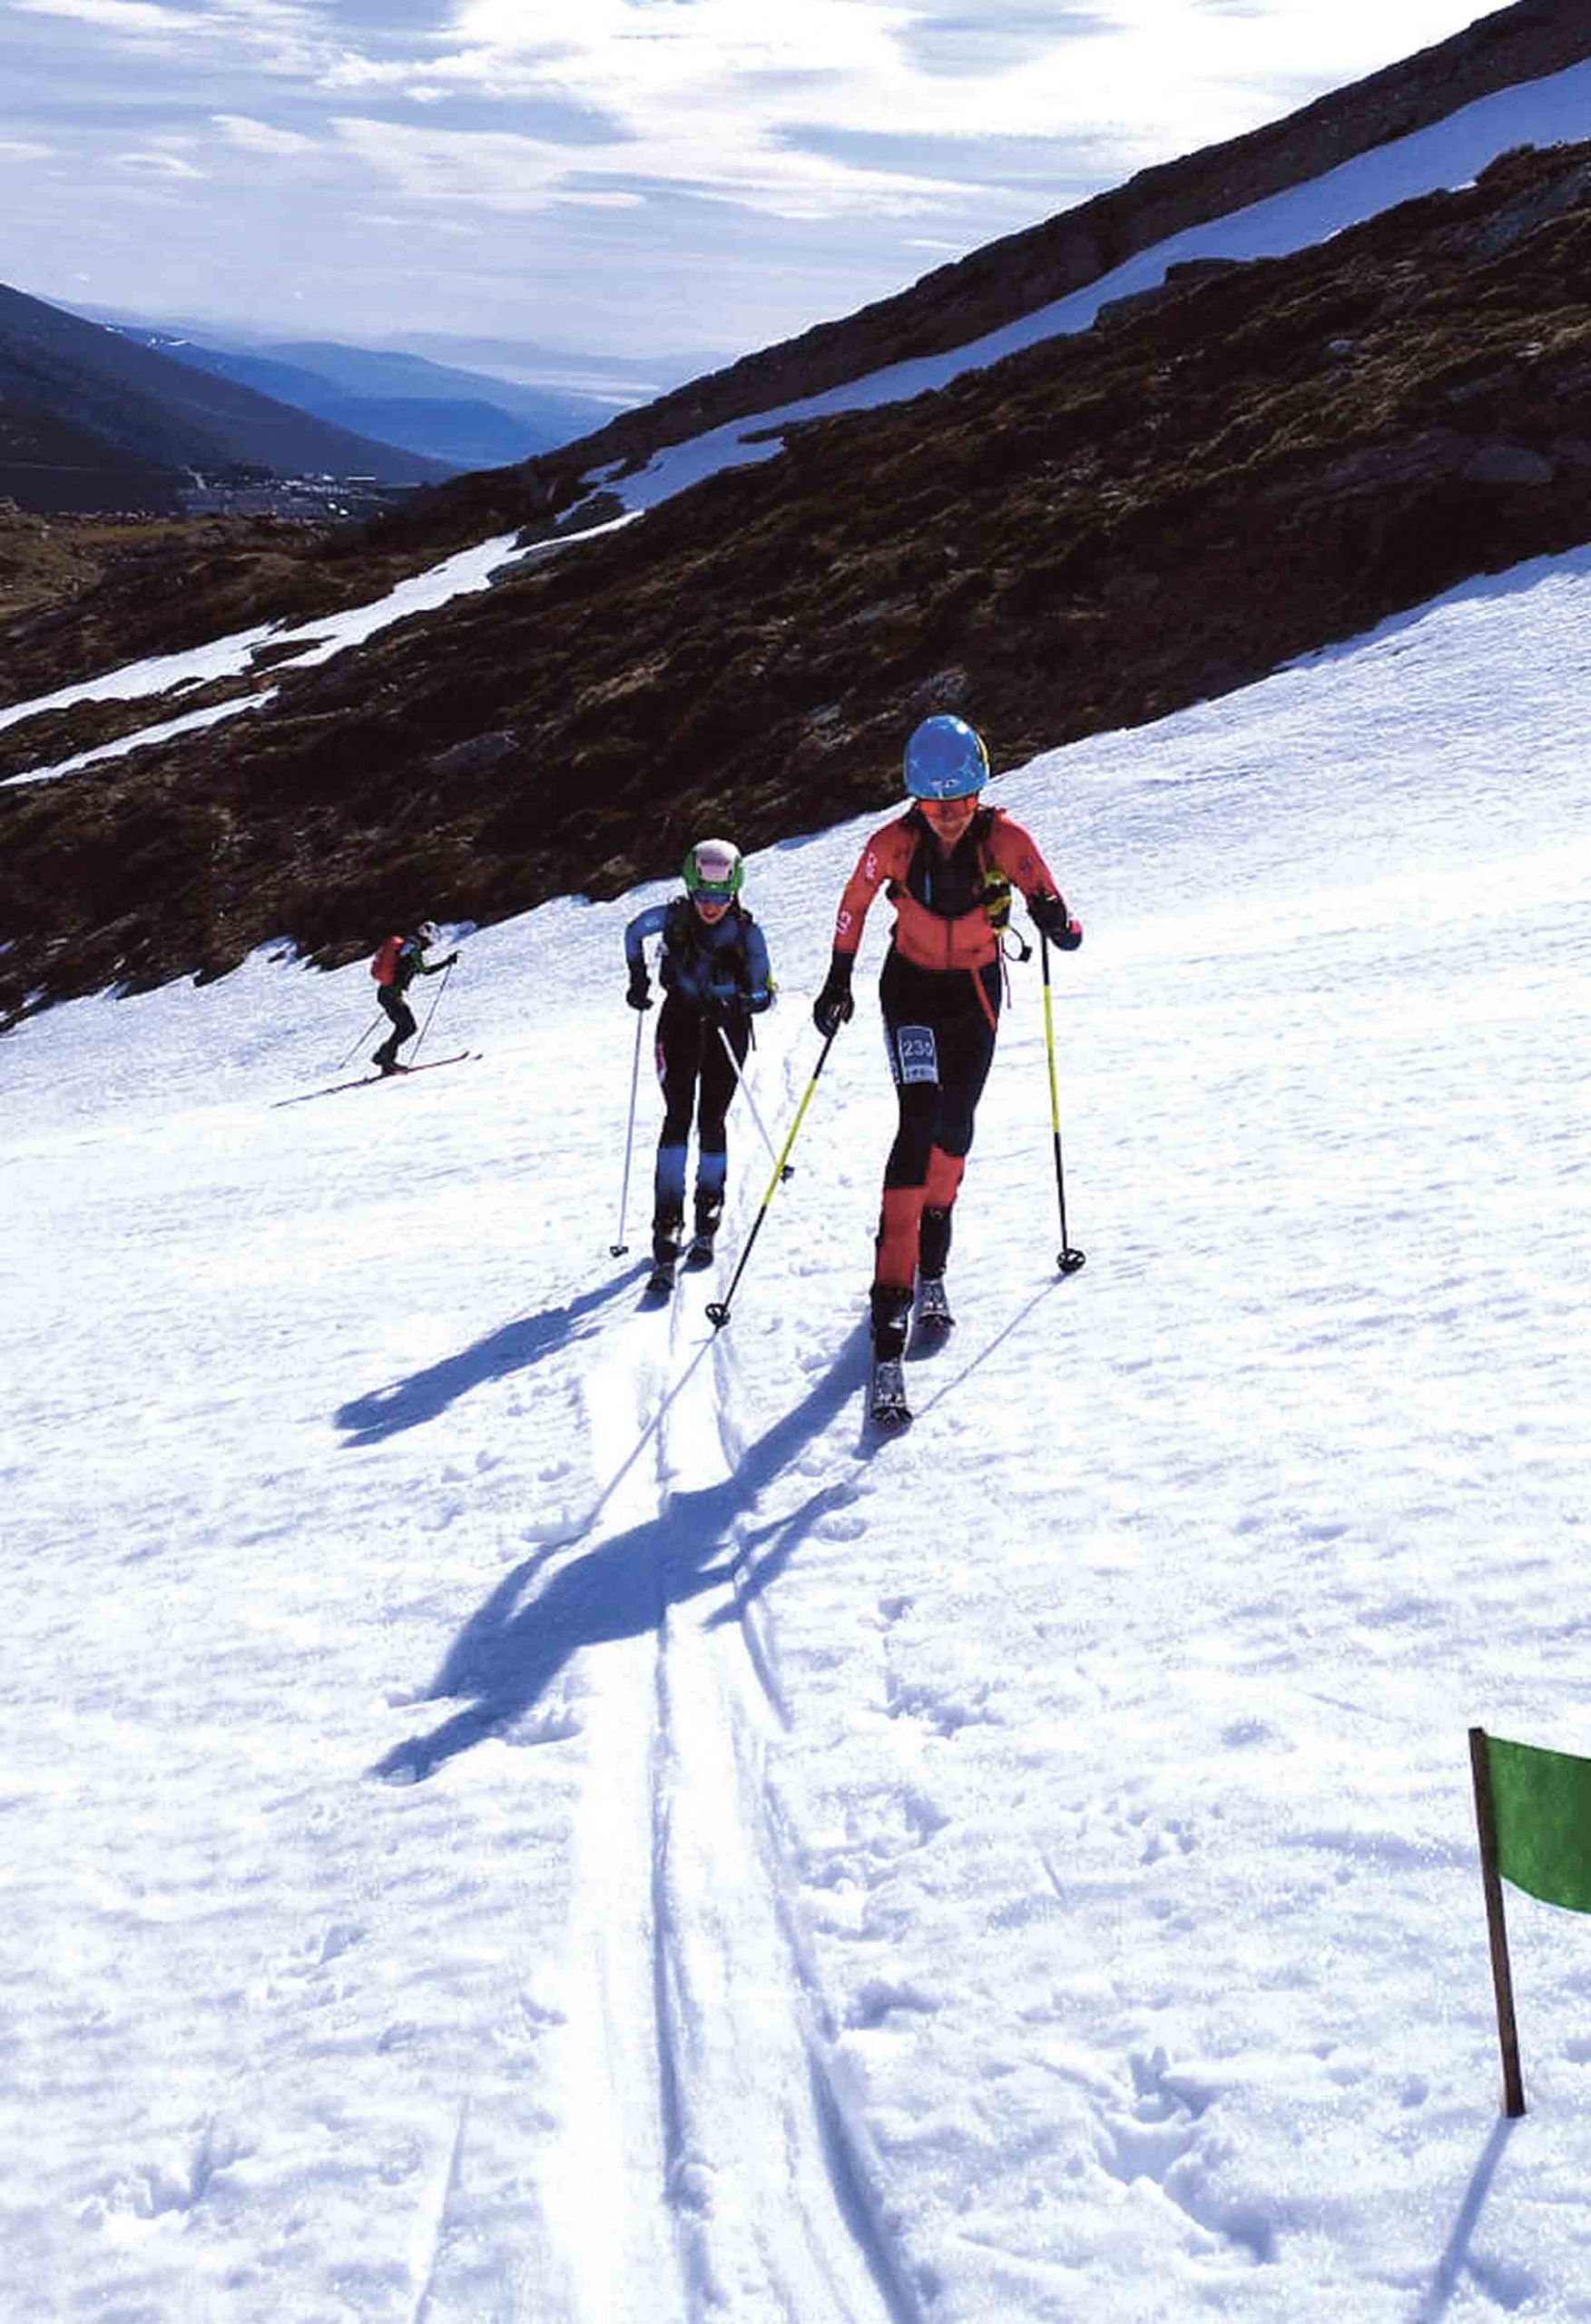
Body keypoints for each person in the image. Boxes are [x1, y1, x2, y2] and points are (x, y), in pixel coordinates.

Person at [811, 714, 1082, 1423]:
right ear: (916, 800)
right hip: (910, 993)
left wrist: (1058, 923)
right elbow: (853, 905)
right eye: (935, 805)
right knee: (916, 1126)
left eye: (960, 801)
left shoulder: (1005, 838)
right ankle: (889, 1312)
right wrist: (837, 978)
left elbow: (1050, 900)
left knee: (954, 1131)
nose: (950, 816)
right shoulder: (892, 844)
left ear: (978, 790)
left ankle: (931, 1265)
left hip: (974, 998)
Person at [624, 838, 775, 1290]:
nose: (711, 906)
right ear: (690, 889)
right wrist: (637, 978)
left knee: (712, 1119)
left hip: (727, 1031)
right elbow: (633, 931)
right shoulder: (673, 919)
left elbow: (766, 991)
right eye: (703, 895)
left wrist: (743, 1000)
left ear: (735, 892)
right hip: (679, 1023)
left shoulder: (747, 933)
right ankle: (667, 1221)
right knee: (676, 1117)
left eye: (721, 897)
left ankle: (709, 1206)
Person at [372, 920, 458, 1075]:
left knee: (403, 1027)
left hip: (387, 994)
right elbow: (426, 970)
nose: (429, 946)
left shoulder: (406, 946)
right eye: (430, 942)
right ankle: (383, 1056)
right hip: (391, 996)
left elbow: (408, 969)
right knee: (408, 1027)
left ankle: (386, 1062)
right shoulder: (413, 950)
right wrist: (447, 962)